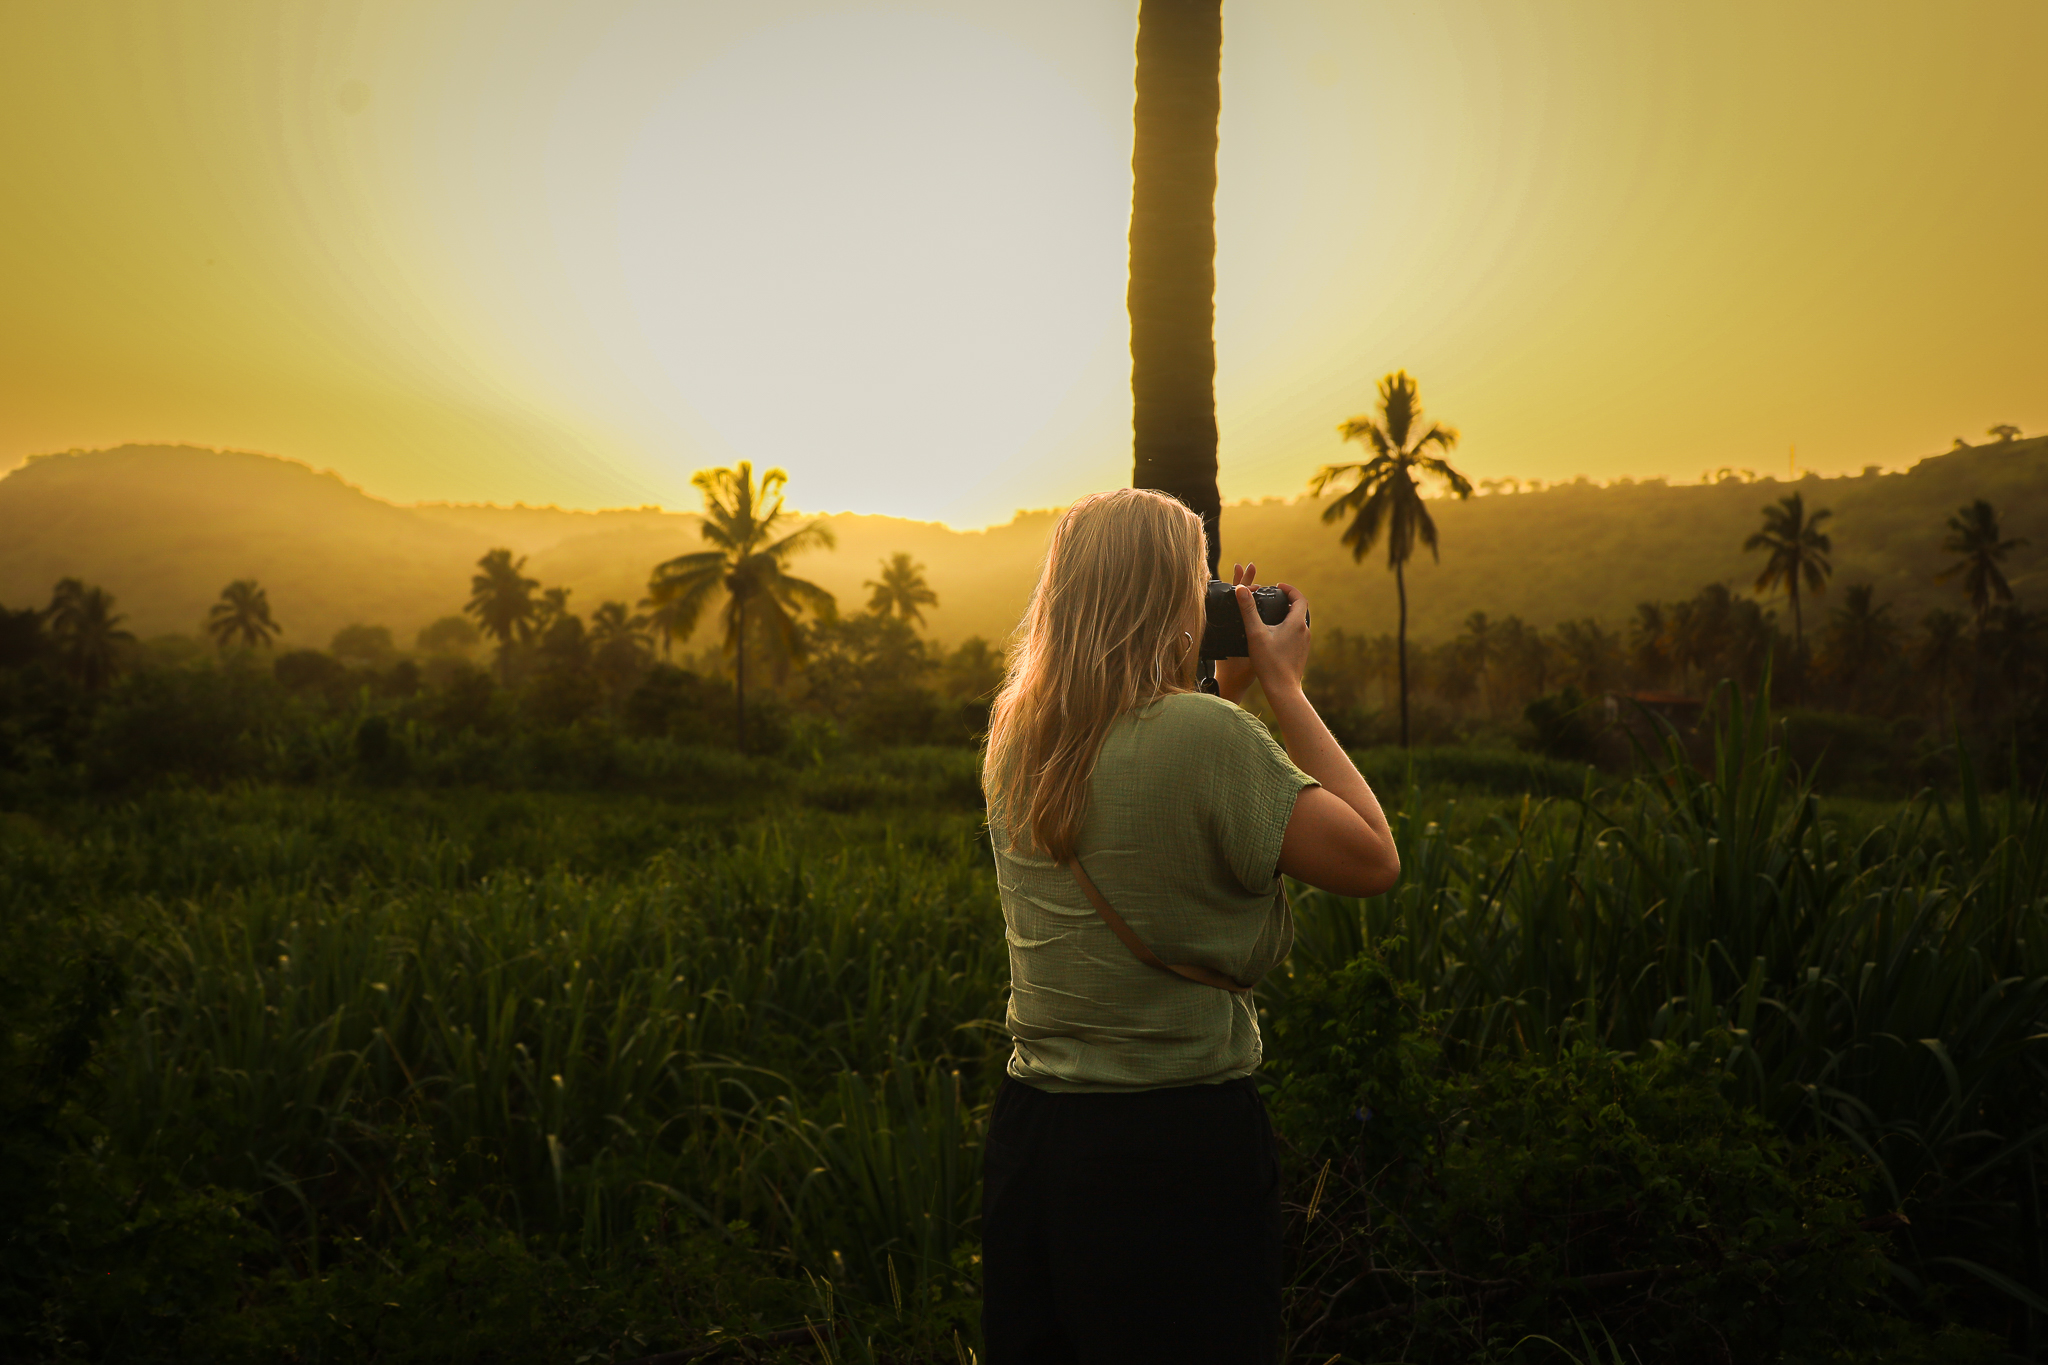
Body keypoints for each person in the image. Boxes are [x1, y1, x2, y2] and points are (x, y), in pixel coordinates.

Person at [978, 488, 1401, 1364]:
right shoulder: (1207, 738)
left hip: (1035, 1141)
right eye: (1196, 579)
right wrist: (1283, 689)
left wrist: (1216, 691)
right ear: (1170, 598)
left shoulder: (1019, 732)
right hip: (1176, 1142)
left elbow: (1136, 770)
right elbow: (1372, 858)